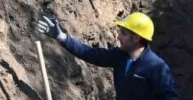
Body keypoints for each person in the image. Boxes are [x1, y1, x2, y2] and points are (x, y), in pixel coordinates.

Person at [37, 12, 179, 100]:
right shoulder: (119, 56)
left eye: (123, 33)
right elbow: (90, 54)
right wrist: (62, 37)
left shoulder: (156, 67)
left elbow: (169, 97)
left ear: (136, 38)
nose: (118, 36)